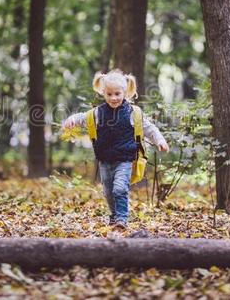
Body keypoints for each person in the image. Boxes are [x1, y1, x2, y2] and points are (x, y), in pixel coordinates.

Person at [62, 69, 169, 230]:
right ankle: (114, 216)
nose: (113, 98)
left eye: (117, 94)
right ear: (103, 93)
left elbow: (149, 128)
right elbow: (83, 118)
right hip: (104, 160)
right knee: (109, 192)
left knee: (120, 188)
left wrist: (160, 139)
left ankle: (122, 219)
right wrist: (71, 119)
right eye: (109, 94)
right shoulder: (98, 112)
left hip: (125, 159)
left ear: (125, 93)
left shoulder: (133, 113)